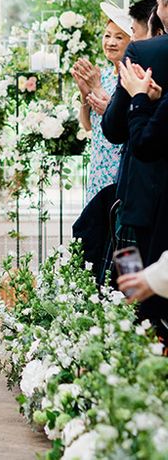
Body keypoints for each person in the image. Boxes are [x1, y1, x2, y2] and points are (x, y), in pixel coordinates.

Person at [101, 0, 168, 298]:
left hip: (139, 200)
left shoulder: (144, 54)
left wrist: (138, 98)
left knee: (132, 297)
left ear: (163, 6)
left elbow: (113, 129)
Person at [112, 58, 168, 334]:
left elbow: (145, 142)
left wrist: (138, 99)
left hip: (148, 203)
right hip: (136, 197)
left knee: (148, 306)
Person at [71, 8, 130, 204]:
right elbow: (88, 126)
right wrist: (84, 93)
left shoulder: (132, 76)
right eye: (107, 36)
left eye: (119, 37)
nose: (111, 42)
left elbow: (120, 118)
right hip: (98, 164)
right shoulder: (101, 75)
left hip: (119, 164)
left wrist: (95, 87)